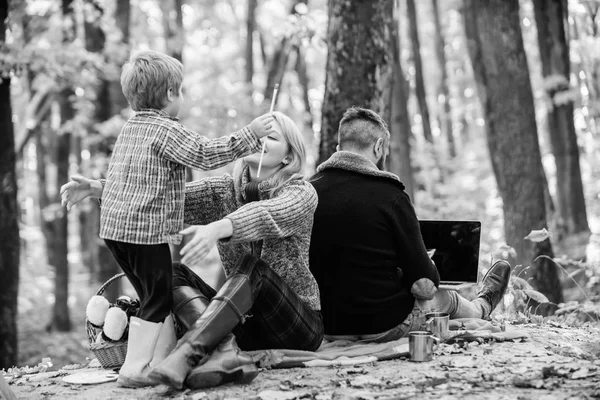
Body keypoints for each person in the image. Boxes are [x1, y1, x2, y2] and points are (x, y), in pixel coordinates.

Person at [61, 111, 323, 390]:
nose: (260, 140)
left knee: (254, 267)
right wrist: (100, 188)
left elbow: (268, 214)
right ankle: (223, 349)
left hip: (295, 326)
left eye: (271, 137)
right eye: (259, 134)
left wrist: (219, 228)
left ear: (288, 157)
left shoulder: (301, 193)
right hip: (244, 328)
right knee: (170, 273)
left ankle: (187, 354)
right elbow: (170, 197)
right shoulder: (225, 190)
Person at [63, 49, 274, 387]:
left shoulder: (130, 129)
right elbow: (206, 154)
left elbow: (126, 182)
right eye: (182, 90)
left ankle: (157, 361)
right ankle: (134, 370)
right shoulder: (167, 130)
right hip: (144, 233)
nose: (183, 97)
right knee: (158, 299)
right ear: (170, 94)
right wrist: (249, 133)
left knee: (151, 297)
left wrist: (92, 187)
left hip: (117, 231)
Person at [308, 106, 511, 342]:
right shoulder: (390, 195)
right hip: (383, 326)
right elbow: (425, 287)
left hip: (324, 326)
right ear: (379, 146)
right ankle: (482, 307)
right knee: (445, 297)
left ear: (338, 148)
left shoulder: (306, 191)